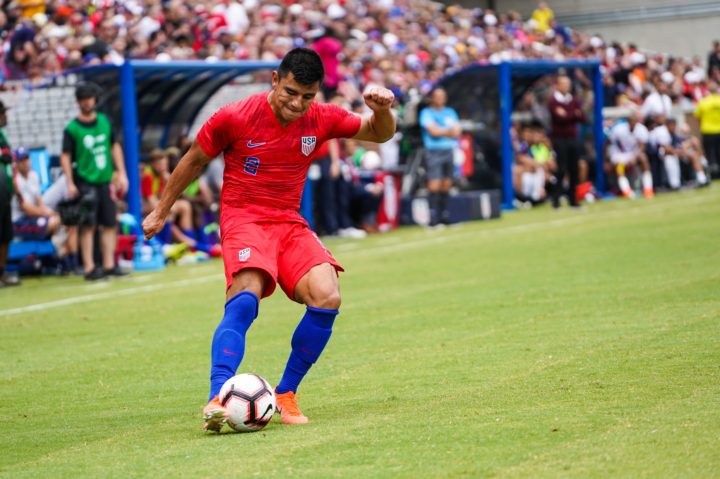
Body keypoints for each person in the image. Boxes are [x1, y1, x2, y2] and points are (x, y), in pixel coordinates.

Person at [141, 48, 395, 431]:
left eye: (307, 96)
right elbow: (193, 159)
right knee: (246, 296)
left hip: (288, 222)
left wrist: (383, 110)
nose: (297, 104)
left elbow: (379, 132)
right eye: (290, 92)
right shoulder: (235, 117)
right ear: (275, 80)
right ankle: (217, 398)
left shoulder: (321, 117)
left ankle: (286, 393)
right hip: (243, 219)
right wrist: (161, 211)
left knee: (327, 294)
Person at [60, 82, 129, 280]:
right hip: (85, 182)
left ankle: (108, 265)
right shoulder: (72, 128)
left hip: (105, 181)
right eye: (83, 99)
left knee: (110, 223)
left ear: (95, 100)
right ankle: (89, 267)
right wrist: (70, 182)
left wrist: (121, 173)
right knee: (88, 226)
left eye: (89, 98)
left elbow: (114, 146)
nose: (87, 102)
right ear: (78, 102)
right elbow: (65, 156)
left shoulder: (105, 121)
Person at [419, 87, 460, 226]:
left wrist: (441, 131)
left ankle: (444, 215)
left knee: (447, 183)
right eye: (437, 96)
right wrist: (448, 132)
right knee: (434, 183)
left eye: (442, 96)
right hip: (433, 152)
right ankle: (432, 218)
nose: (439, 98)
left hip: (449, 150)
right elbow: (433, 132)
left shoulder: (450, 112)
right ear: (432, 98)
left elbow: (457, 131)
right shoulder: (426, 113)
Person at [548, 75, 586, 208]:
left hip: (572, 139)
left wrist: (568, 114)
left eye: (568, 84)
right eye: (563, 84)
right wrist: (573, 114)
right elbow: (560, 118)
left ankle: (573, 199)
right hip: (559, 139)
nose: (566, 86)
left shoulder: (573, 100)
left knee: (574, 169)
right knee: (561, 168)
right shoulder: (553, 101)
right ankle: (556, 200)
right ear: (557, 85)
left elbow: (582, 117)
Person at [11, 147, 61, 240]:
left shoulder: (34, 175)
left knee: (57, 220)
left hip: (31, 218)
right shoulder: (15, 181)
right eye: (21, 160)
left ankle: (52, 245)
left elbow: (39, 202)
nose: (25, 162)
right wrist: (47, 213)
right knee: (51, 222)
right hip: (19, 221)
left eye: (26, 159)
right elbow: (28, 210)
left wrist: (51, 213)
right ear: (16, 163)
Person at [0, 100, 21, 287]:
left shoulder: (2, 135)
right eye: (2, 113)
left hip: (5, 192)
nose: (5, 116)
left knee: (6, 235)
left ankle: (1, 273)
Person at [694, 81, 720, 178]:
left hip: (707, 131)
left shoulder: (703, 102)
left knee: (710, 153)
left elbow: (697, 117)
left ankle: (714, 174)